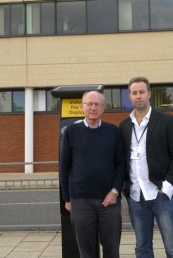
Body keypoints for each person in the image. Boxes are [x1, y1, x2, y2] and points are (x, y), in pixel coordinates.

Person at [119, 77, 173, 258]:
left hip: (161, 194)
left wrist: (168, 186)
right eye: (134, 93)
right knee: (142, 248)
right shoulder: (124, 125)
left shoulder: (166, 121)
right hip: (135, 196)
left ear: (149, 94)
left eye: (142, 92)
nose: (138, 96)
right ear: (130, 96)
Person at [60, 90, 126, 258]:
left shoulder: (113, 132)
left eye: (97, 104)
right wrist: (67, 199)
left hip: (109, 200)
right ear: (82, 107)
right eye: (89, 104)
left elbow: (121, 164)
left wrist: (115, 191)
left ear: (103, 108)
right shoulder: (71, 132)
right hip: (80, 201)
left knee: (112, 251)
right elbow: (65, 166)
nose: (93, 107)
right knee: (86, 252)